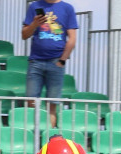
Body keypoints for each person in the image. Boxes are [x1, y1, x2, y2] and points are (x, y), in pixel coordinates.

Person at [21, 0, 77, 128]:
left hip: (56, 61)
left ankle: (48, 136)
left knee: (52, 104)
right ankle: (33, 135)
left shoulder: (67, 8)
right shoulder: (34, 6)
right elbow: (24, 35)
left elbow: (72, 38)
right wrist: (35, 24)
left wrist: (62, 60)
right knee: (31, 102)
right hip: (36, 61)